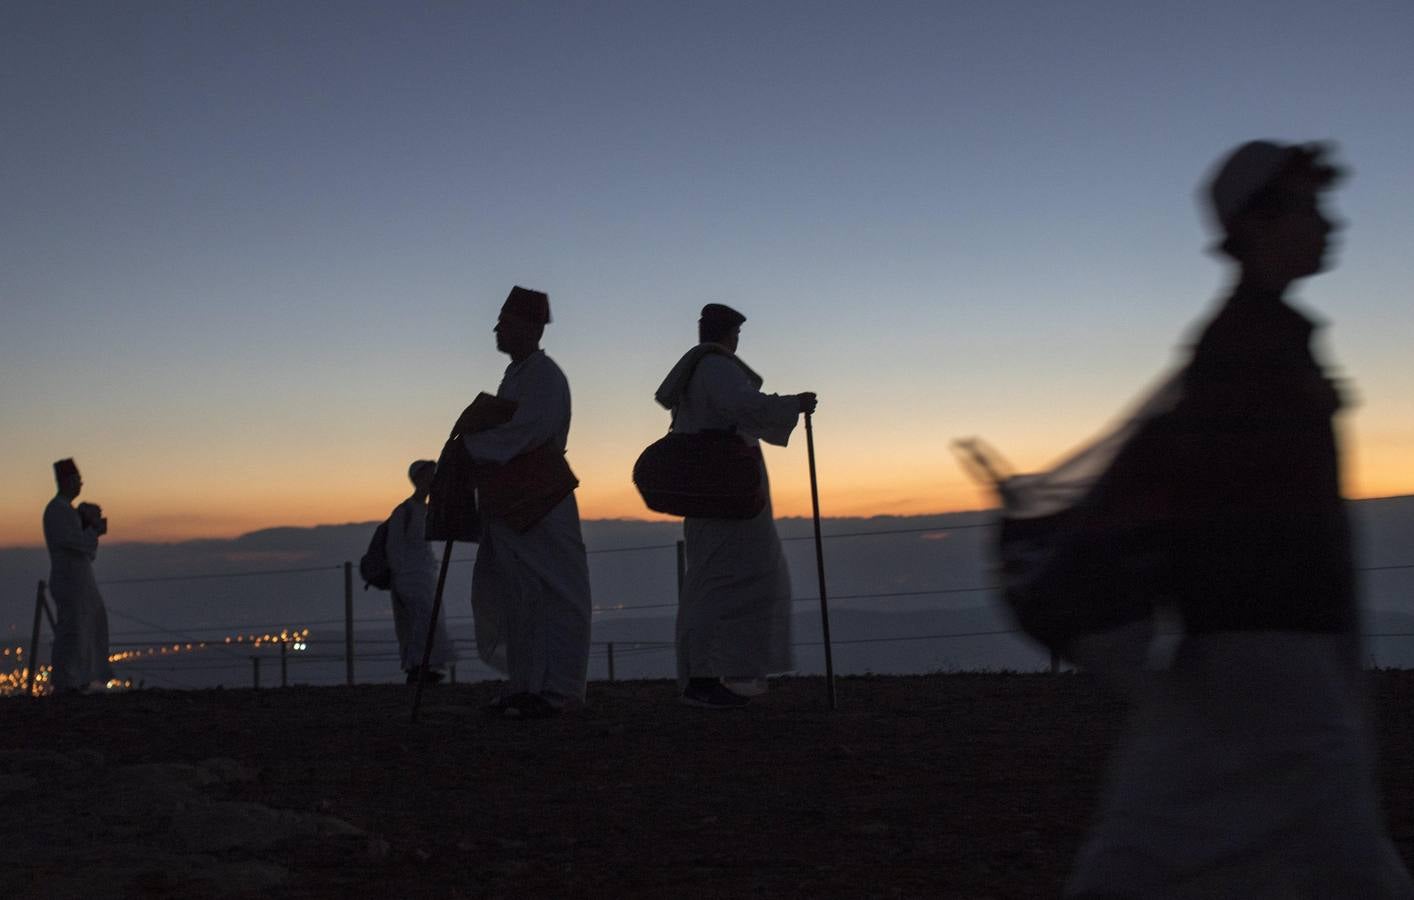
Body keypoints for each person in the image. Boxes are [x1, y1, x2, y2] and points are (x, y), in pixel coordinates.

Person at [1065, 142, 1414, 897]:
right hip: (1265, 660)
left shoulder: (1258, 339)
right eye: (1308, 207)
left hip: (1257, 654)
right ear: (1257, 225)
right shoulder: (1252, 350)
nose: (1331, 223)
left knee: (1166, 850)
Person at [655, 303, 817, 709]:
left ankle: (722, 674)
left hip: (719, 488)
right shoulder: (715, 368)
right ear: (730, 334)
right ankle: (706, 679)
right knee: (722, 581)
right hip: (727, 490)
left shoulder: (701, 370)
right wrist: (793, 403)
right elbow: (748, 408)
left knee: (725, 577)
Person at [464, 286, 592, 719]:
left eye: (506, 321)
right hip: (512, 500)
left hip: (542, 498)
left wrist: (470, 448)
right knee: (519, 595)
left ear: (531, 328)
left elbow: (526, 433)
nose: (497, 328)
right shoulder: (517, 375)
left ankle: (558, 692)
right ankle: (526, 686)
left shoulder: (545, 377)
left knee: (557, 595)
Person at [42, 458, 114, 693]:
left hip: (80, 580)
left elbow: (85, 550)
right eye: (77, 480)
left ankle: (80, 679)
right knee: (72, 630)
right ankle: (66, 682)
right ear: (66, 482)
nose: (80, 484)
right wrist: (91, 529)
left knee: (86, 627)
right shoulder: (56, 511)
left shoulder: (65, 511)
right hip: (69, 580)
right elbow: (75, 544)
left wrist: (87, 526)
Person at [387, 459, 457, 684]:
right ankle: (417, 666)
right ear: (418, 479)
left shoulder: (427, 510)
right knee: (418, 622)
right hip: (409, 578)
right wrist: (400, 578)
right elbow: (394, 548)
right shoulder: (403, 512)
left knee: (430, 620)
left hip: (426, 576)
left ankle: (428, 666)